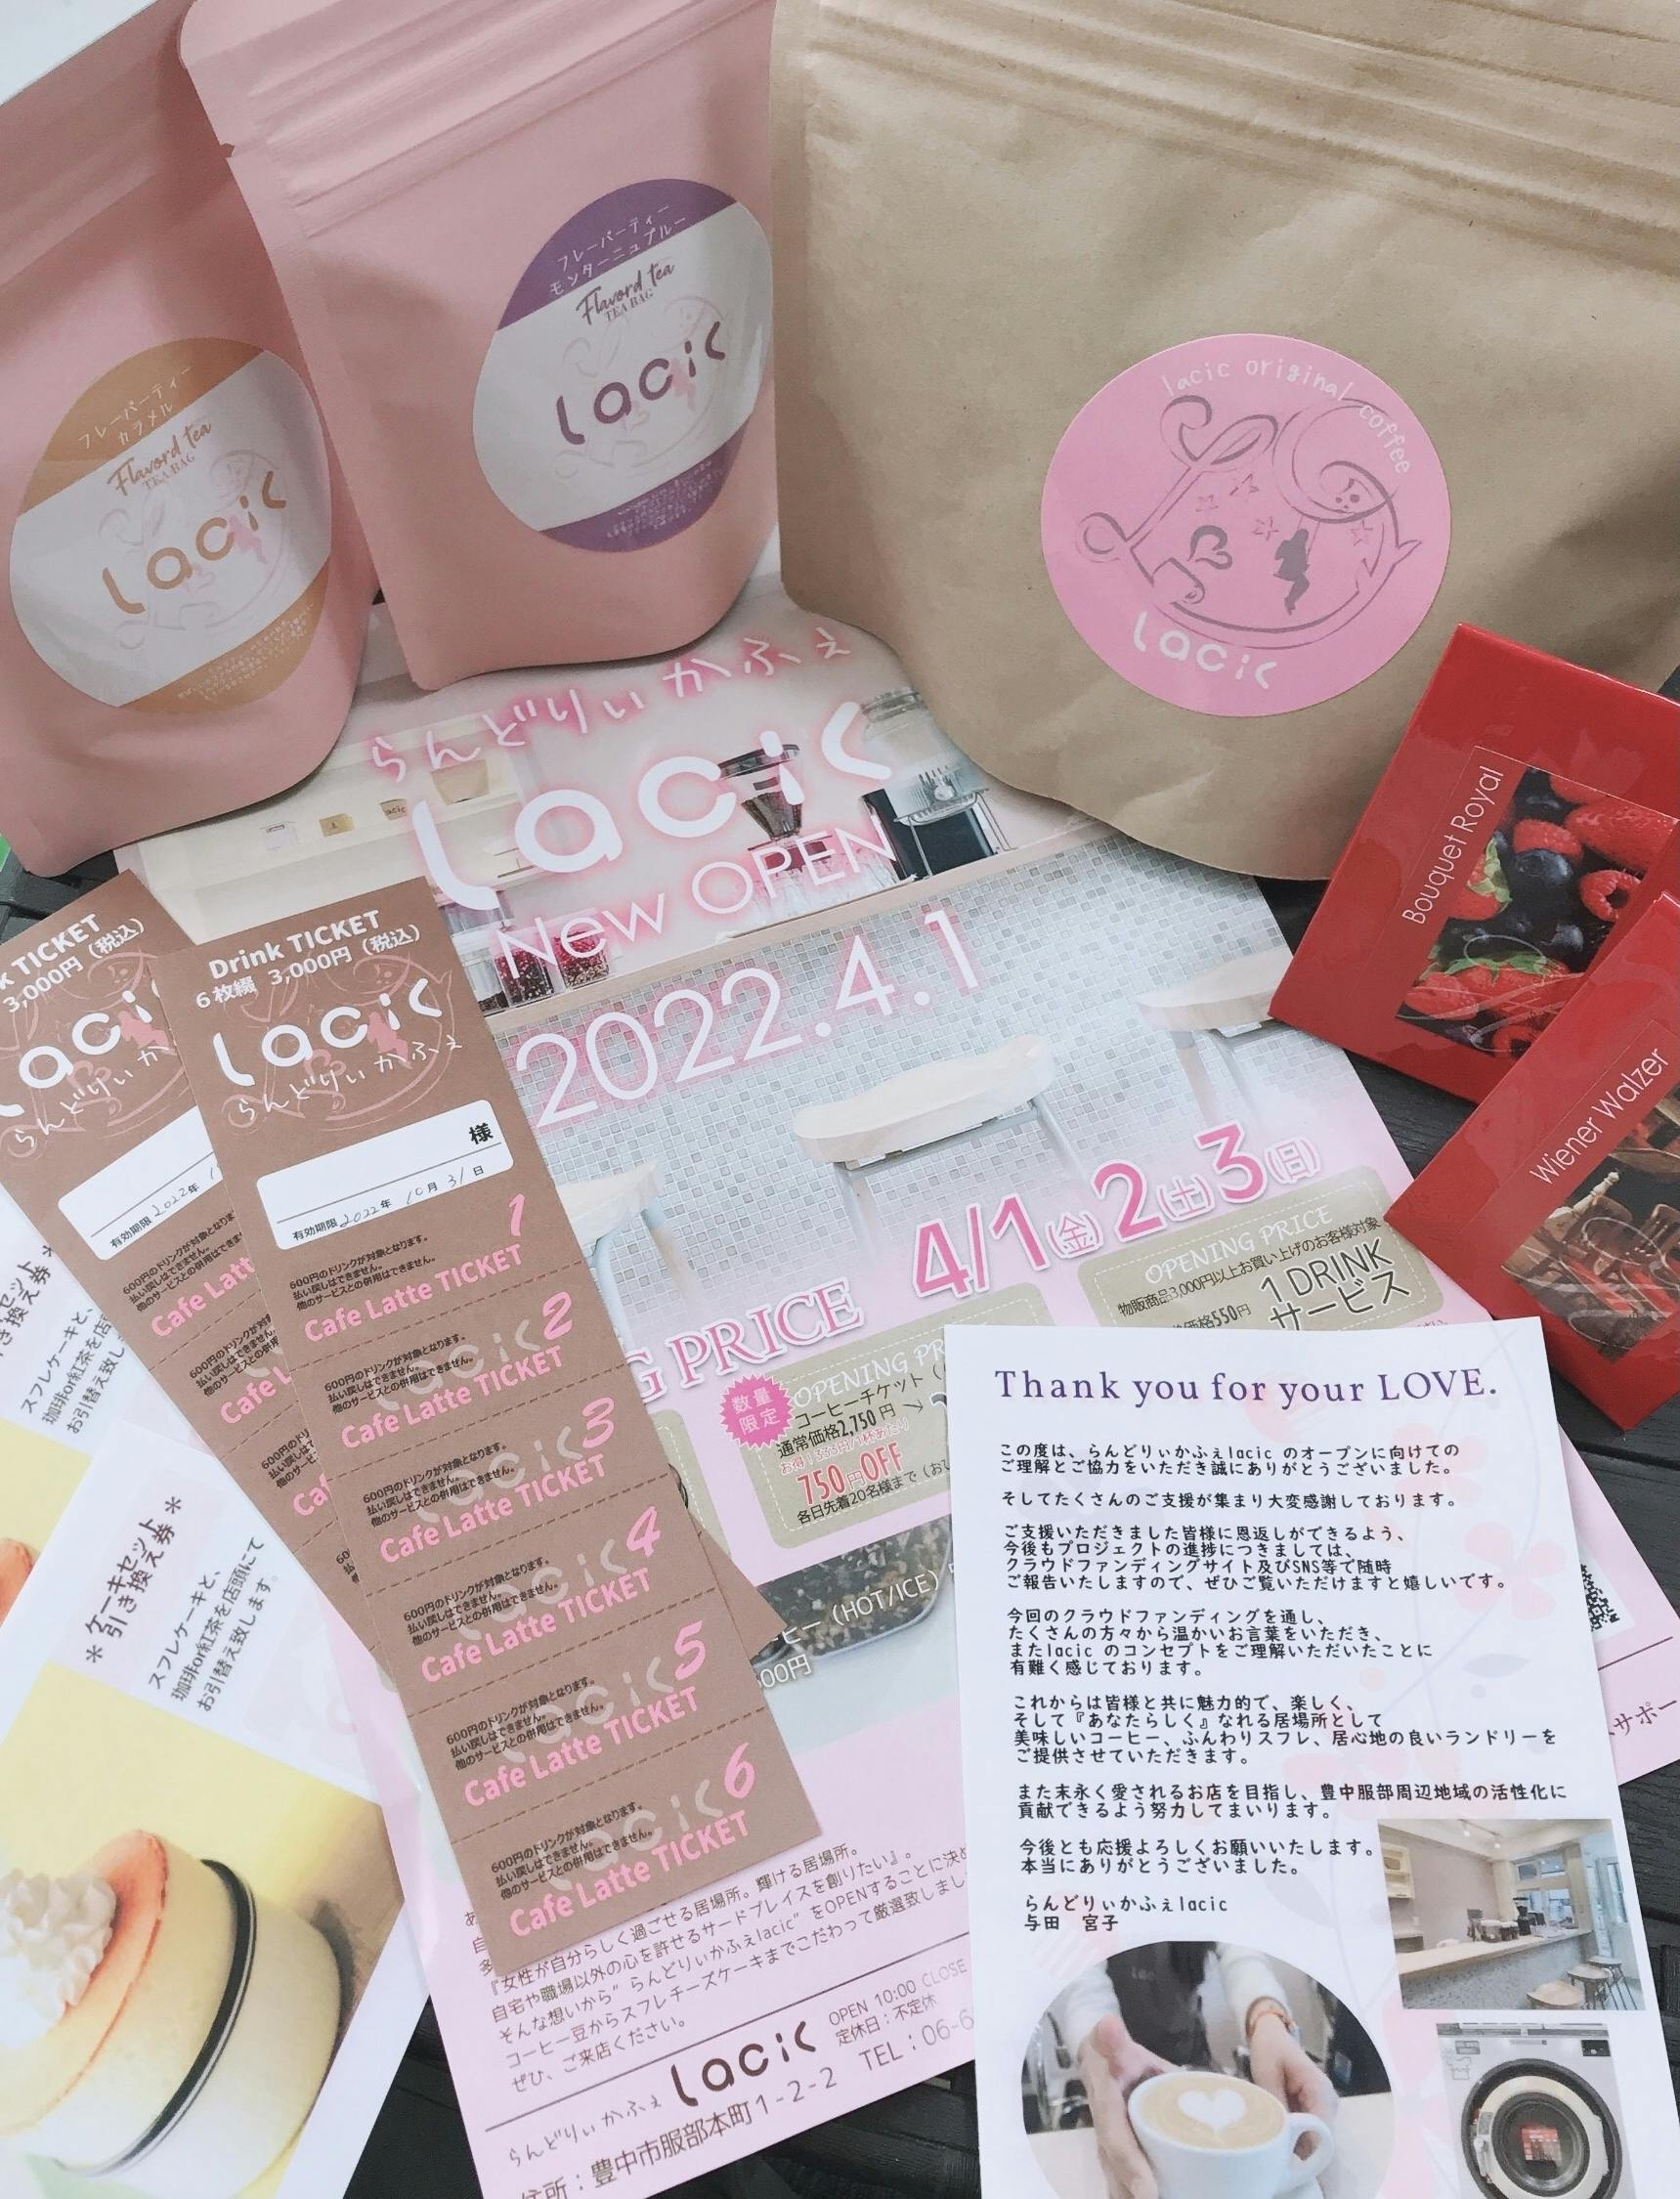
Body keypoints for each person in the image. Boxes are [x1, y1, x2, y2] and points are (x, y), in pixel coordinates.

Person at [1050, 1943, 1341, 2199]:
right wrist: (1099, 2057)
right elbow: (1085, 1992)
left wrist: (1267, 2019)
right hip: (1119, 2084)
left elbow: (1241, 1951)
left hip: (1193, 2059)